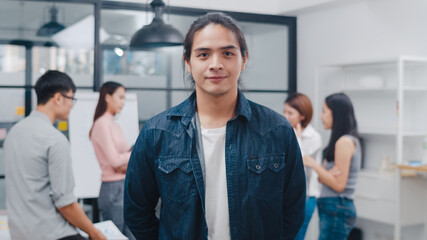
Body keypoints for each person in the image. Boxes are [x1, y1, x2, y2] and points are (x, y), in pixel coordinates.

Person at [123, 12, 306, 240]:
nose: (216, 64)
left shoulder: (277, 130)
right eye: (203, 54)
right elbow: (136, 212)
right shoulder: (156, 133)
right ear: (188, 62)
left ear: (244, 60)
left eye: (228, 53)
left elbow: (293, 209)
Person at [4, 70, 106, 240]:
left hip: (19, 233)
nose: (72, 106)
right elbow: (66, 204)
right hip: (52, 234)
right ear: (58, 98)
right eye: (72, 99)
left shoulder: (14, 133)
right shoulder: (55, 140)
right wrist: (95, 233)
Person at [303, 92, 361, 240]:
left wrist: (313, 164)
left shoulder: (344, 142)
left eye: (324, 111)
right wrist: (327, 174)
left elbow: (338, 185)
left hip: (337, 207)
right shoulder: (337, 142)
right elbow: (324, 179)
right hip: (333, 207)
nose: (321, 117)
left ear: (336, 113)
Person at [89, 81, 135, 240]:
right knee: (117, 236)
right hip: (112, 188)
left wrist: (127, 158)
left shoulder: (114, 125)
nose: (123, 102)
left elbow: (122, 161)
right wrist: (136, 153)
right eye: (120, 97)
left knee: (131, 234)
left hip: (124, 185)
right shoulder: (101, 124)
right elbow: (115, 161)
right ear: (107, 97)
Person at [283, 93, 322, 240]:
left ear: (302, 116)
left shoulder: (313, 137)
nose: (285, 115)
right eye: (284, 111)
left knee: (297, 236)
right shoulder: (286, 132)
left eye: (290, 113)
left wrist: (298, 139)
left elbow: (301, 163)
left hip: (306, 197)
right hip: (288, 196)